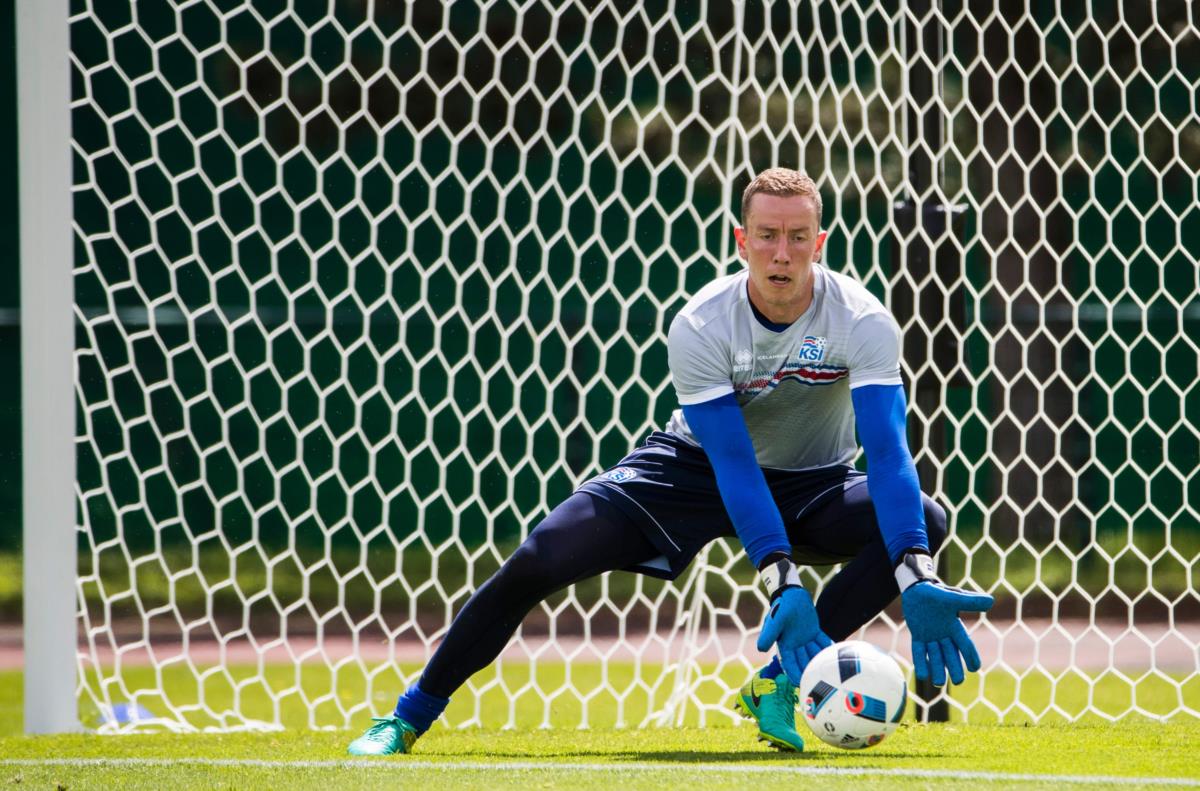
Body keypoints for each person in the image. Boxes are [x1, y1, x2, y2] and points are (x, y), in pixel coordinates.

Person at [347, 167, 993, 756]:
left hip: (812, 482)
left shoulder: (864, 320)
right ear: (742, 239)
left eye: (798, 237)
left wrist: (915, 570)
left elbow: (886, 450)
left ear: (819, 242)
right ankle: (407, 716)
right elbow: (733, 463)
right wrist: (783, 581)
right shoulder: (701, 325)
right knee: (539, 556)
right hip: (689, 469)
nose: (781, 253)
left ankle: (776, 683)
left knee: (924, 520)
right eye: (767, 235)